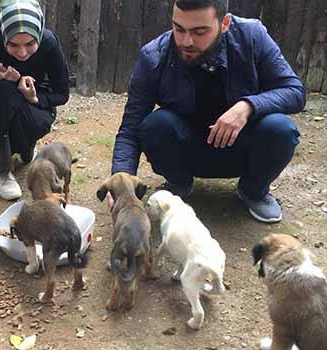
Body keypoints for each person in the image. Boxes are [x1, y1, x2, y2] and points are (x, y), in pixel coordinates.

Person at [111, 0, 305, 223]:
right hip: (187, 151)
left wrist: (248, 106)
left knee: (281, 129)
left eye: (199, 31)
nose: (186, 41)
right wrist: (121, 186)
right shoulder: (153, 56)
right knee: (155, 125)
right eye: (179, 29)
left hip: (244, 149)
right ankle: (179, 184)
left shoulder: (252, 36)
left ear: (224, 23)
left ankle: (253, 191)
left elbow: (295, 91)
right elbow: (130, 128)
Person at [0, 0, 70, 200]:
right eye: (13, 44)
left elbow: (61, 94)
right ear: (3, 36)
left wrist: (33, 96)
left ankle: (25, 149)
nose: (22, 52)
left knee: (30, 120)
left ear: (39, 34)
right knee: (3, 92)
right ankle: (2, 170)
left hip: (33, 102)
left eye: (30, 44)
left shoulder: (49, 43)